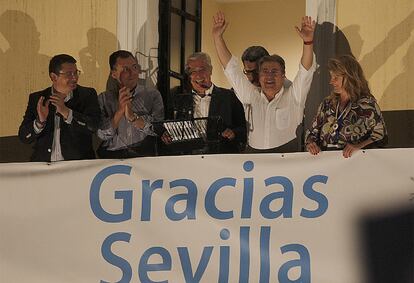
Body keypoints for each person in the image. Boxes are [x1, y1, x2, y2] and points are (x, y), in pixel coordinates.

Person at [212, 11, 316, 153]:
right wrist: (218, 38)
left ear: (283, 74)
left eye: (274, 72)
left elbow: (305, 71)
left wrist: (308, 42)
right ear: (259, 76)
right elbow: (231, 69)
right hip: (255, 164)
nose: (269, 77)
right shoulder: (251, 96)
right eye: (265, 72)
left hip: (288, 162)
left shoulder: (294, 96)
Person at [18, 54, 101, 162]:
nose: (74, 77)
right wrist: (40, 122)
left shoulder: (87, 95)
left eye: (76, 72)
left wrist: (66, 112)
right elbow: (24, 137)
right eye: (69, 74)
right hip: (44, 168)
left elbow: (93, 126)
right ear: (53, 77)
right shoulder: (38, 99)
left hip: (78, 168)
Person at [305, 55, 387, 158]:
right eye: (331, 77)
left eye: (336, 77)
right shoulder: (327, 104)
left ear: (349, 76)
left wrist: (358, 146)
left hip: (355, 164)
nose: (331, 81)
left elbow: (381, 136)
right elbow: (311, 133)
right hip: (327, 164)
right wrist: (310, 143)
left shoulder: (366, 104)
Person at [97, 50, 168, 158]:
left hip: (144, 155)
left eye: (134, 67)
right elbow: (102, 135)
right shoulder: (104, 98)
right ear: (114, 74)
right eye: (125, 69)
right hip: (112, 156)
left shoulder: (153, 95)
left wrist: (133, 117)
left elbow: (158, 128)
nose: (132, 73)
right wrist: (120, 111)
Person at [171, 52, 247, 153]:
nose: (198, 75)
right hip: (190, 159)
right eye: (193, 71)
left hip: (222, 158)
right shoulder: (180, 100)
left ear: (210, 70)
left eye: (202, 69)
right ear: (189, 75)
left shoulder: (229, 97)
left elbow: (243, 129)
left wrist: (233, 133)